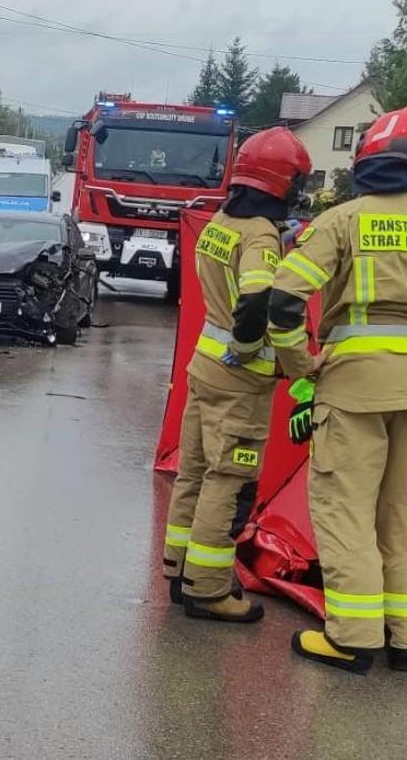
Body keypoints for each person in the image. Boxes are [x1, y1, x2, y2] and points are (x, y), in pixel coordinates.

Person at [268, 106, 407, 674]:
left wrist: (301, 365)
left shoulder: (343, 221)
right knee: (404, 514)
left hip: (353, 390)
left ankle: (354, 636)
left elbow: (285, 303)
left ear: (367, 158)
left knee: (345, 512)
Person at [162, 128, 313, 623]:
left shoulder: (221, 221)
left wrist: (280, 241)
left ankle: (180, 570)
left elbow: (230, 280)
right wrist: (249, 348)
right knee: (231, 481)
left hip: (204, 371)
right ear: (282, 181)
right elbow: (254, 300)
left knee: (195, 474)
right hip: (240, 382)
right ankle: (207, 590)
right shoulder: (259, 234)